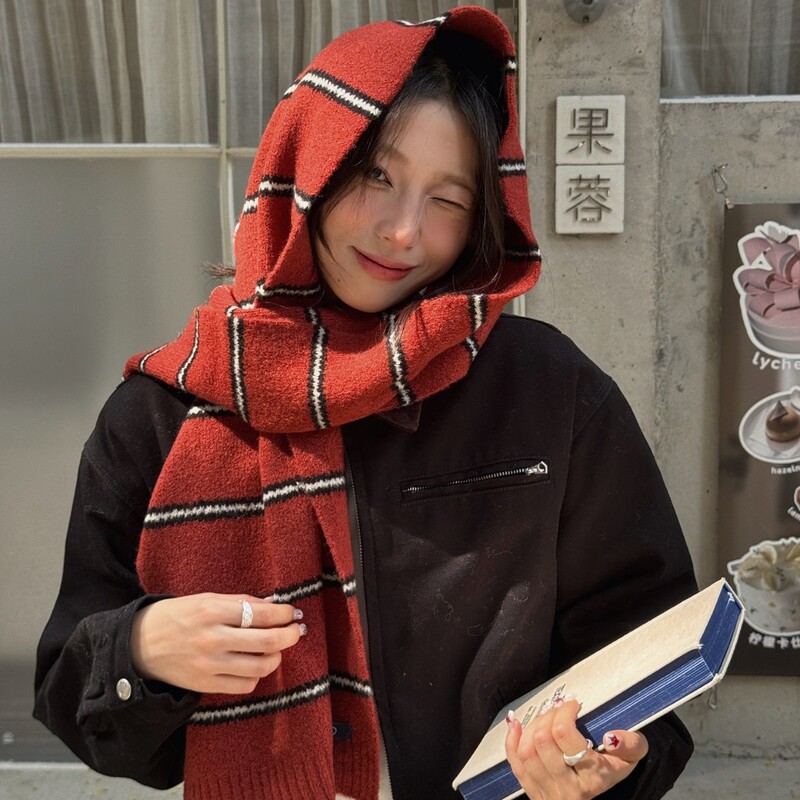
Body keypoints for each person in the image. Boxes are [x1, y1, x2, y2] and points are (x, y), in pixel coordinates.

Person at [34, 7, 697, 800]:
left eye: (448, 199)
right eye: (377, 175)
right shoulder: (162, 411)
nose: (404, 231)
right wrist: (141, 651)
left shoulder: (547, 391)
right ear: (304, 166)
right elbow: (76, 701)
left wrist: (606, 766)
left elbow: (648, 653)